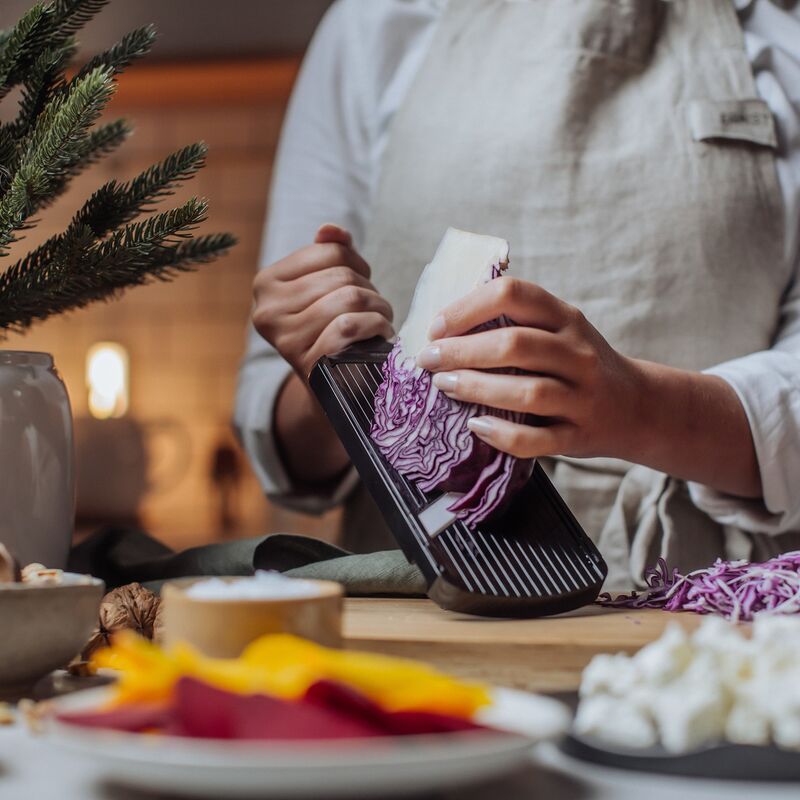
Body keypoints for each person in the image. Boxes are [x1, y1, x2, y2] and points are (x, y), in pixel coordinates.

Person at [235, 0, 800, 587]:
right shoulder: (375, 24)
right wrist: (339, 378)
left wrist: (643, 410)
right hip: (425, 593)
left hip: (713, 607)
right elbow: (277, 436)